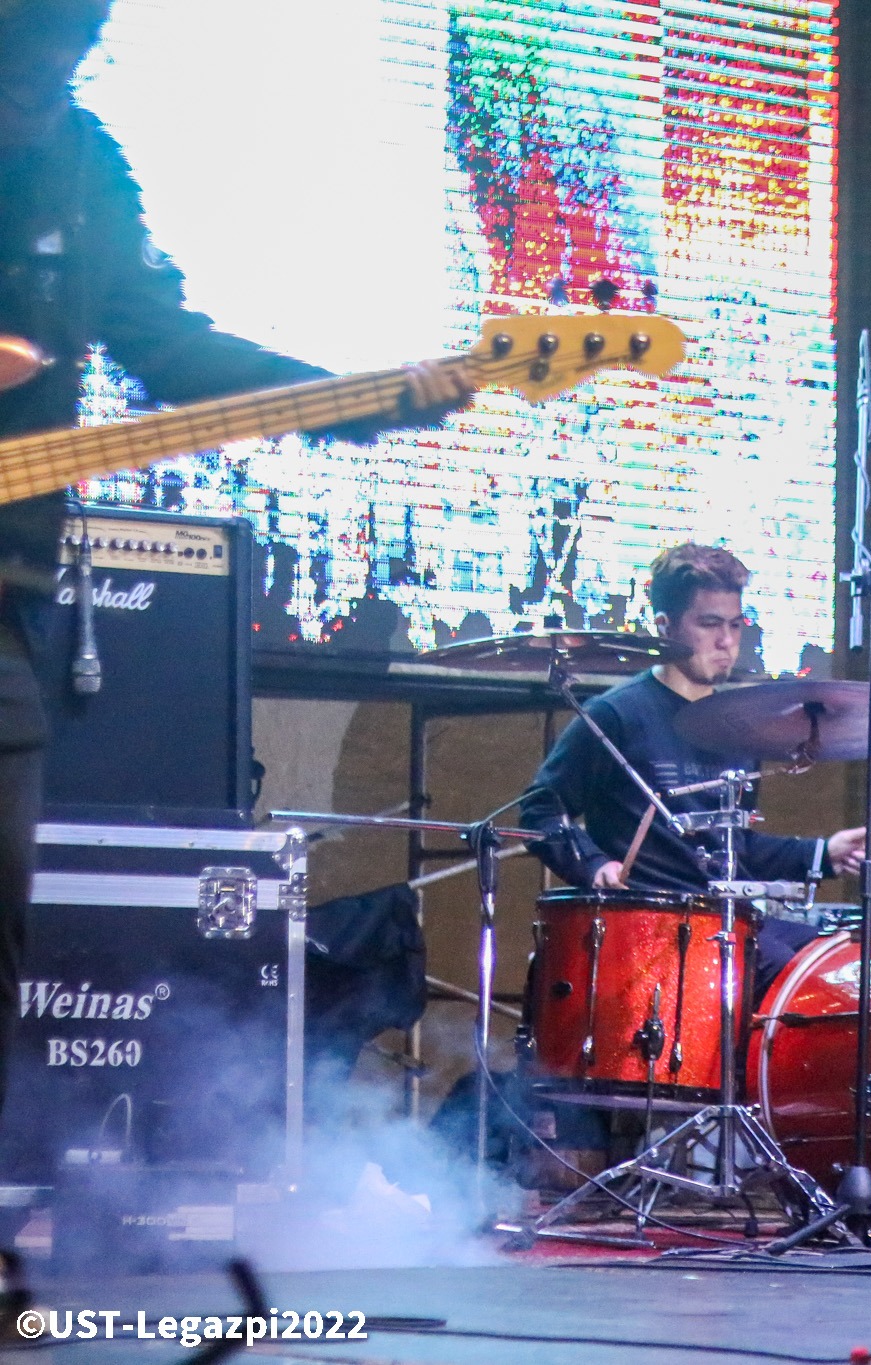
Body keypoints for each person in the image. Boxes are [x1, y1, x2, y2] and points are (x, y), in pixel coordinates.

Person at [0, 0, 469, 1110]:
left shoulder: (83, 169)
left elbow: (170, 347)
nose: (49, 79)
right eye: (29, 56)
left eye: (72, 53)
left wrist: (359, 400)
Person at [522, 543, 867, 986]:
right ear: (664, 626)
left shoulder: (737, 726)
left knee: (846, 962)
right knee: (792, 976)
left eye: (735, 625)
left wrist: (822, 853)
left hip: (728, 918)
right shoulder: (615, 716)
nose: (727, 641)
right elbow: (540, 811)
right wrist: (593, 864)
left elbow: (733, 846)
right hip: (654, 927)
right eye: (709, 624)